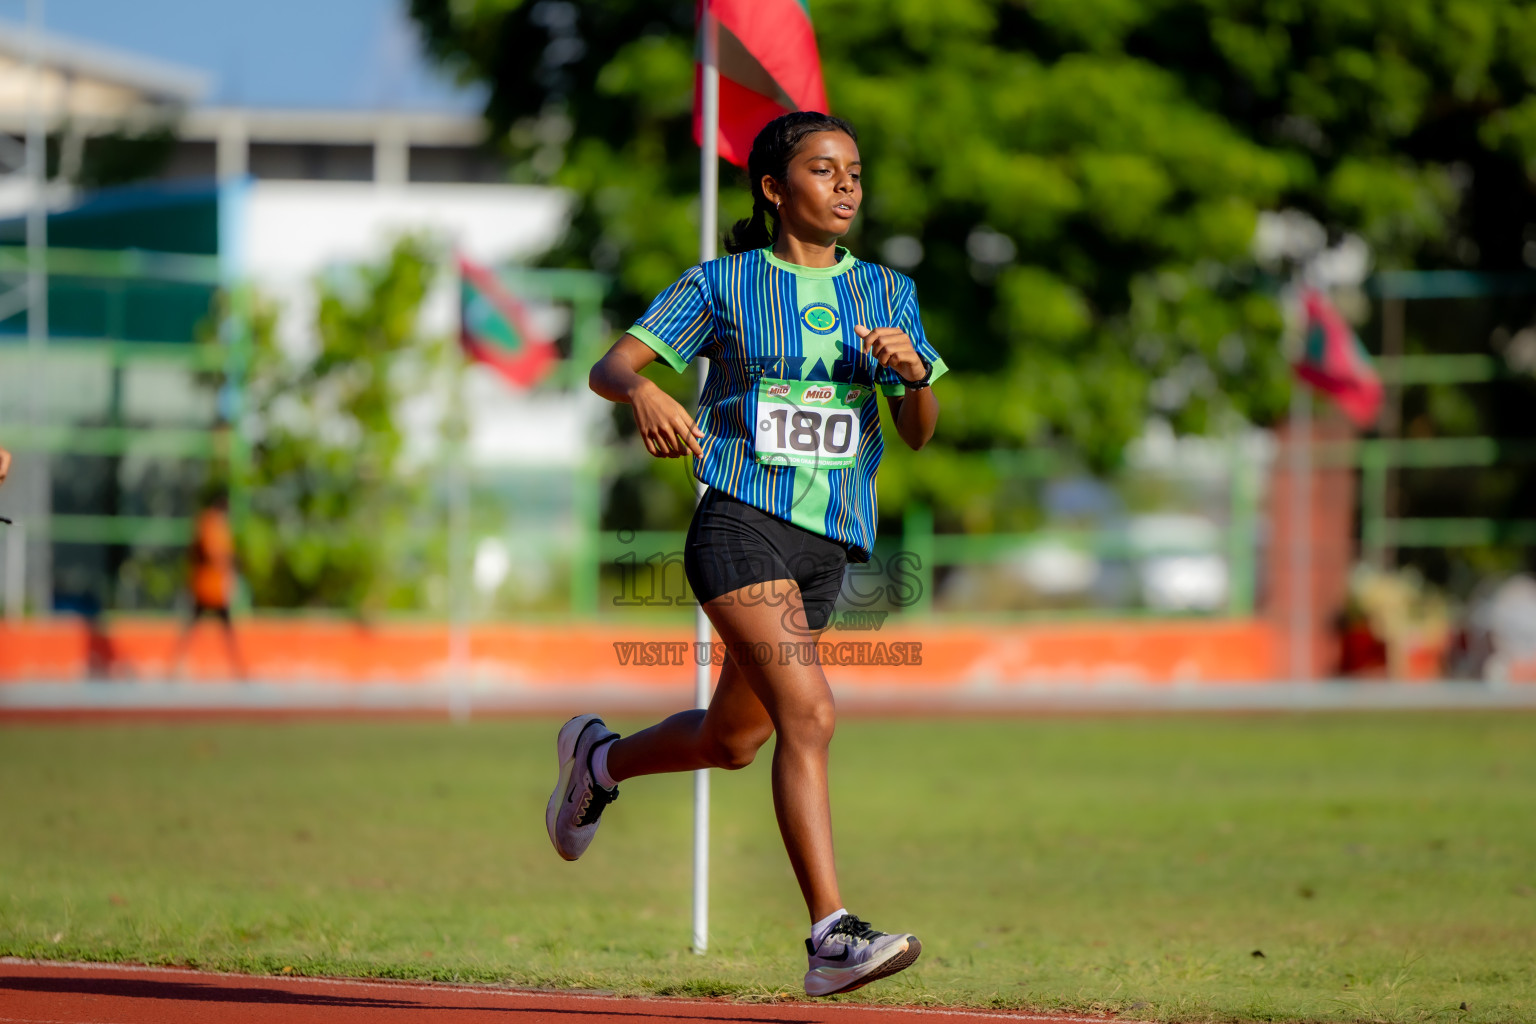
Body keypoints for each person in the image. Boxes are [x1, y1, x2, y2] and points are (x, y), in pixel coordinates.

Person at [556, 111, 946, 997]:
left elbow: (919, 435)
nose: (847, 185)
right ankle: (831, 934)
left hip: (829, 546)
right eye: (823, 170)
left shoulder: (889, 293)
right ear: (775, 189)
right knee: (809, 716)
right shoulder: (721, 283)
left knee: (735, 739)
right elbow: (610, 367)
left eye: (854, 170)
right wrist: (646, 394)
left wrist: (913, 376)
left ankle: (598, 763)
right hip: (739, 524)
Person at [169, 491, 247, 680]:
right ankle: (179, 665)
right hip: (208, 587)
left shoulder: (216, 526)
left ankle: (238, 669)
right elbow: (214, 553)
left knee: (219, 629)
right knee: (198, 626)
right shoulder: (211, 525)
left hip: (212, 587)